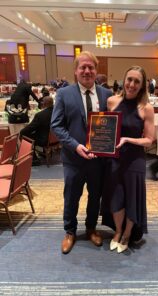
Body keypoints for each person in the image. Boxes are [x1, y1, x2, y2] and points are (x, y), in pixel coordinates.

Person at [51, 51, 112, 254]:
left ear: (96, 70)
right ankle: (70, 232)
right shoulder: (64, 94)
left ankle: (91, 228)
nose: (87, 71)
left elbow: (112, 125)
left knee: (95, 196)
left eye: (91, 67)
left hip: (98, 160)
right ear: (76, 71)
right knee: (71, 197)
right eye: (82, 67)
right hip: (73, 159)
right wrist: (76, 146)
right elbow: (57, 126)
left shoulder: (106, 95)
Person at [101, 66, 155, 253]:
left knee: (131, 198)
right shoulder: (111, 101)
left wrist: (128, 139)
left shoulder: (146, 108)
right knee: (116, 197)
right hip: (114, 159)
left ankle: (127, 234)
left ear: (142, 86)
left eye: (137, 81)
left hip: (135, 160)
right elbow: (102, 128)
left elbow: (149, 140)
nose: (131, 84)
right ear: (124, 80)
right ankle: (117, 231)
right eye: (129, 79)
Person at [20, 96, 54, 165]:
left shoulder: (40, 115)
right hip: (56, 139)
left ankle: (34, 159)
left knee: (25, 135)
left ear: (43, 104)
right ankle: (43, 153)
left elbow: (31, 127)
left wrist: (21, 132)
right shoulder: (57, 112)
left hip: (44, 139)